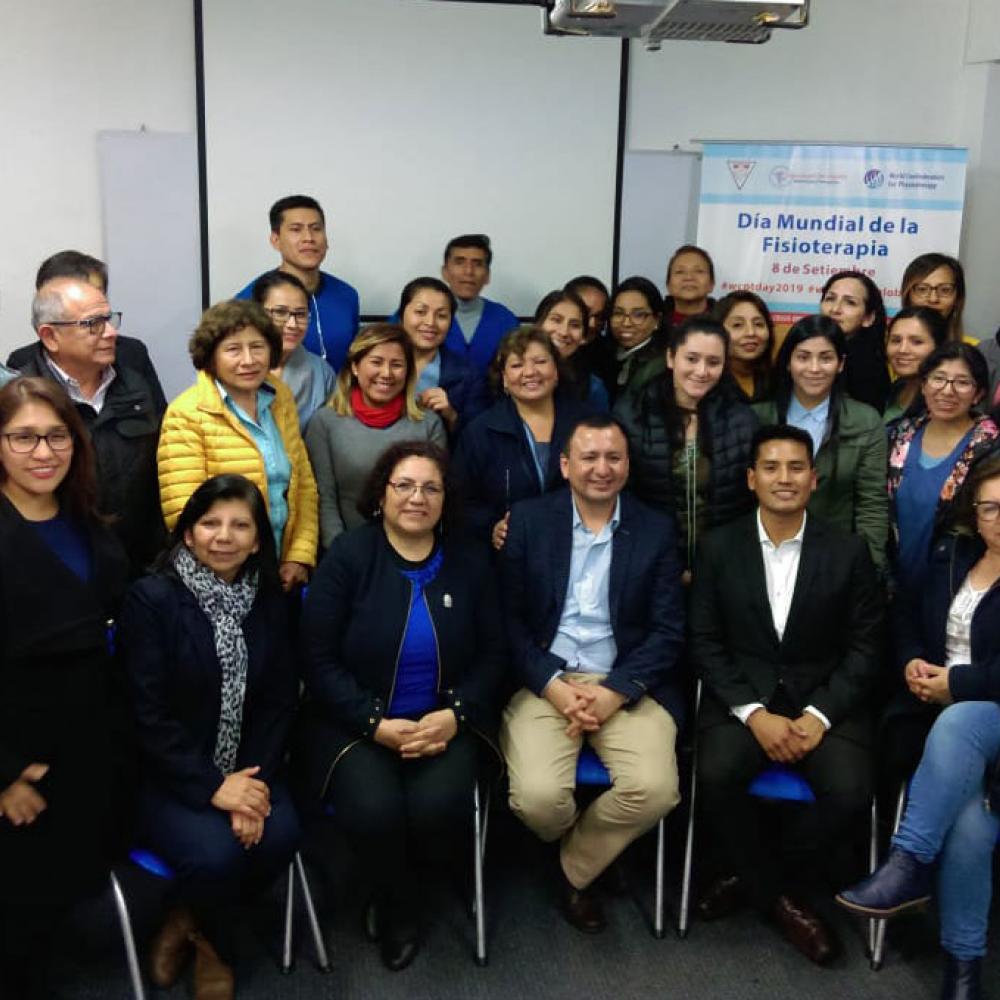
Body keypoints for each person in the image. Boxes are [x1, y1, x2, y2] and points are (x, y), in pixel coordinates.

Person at [299, 442, 505, 970]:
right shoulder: (348, 556)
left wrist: (454, 714)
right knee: (374, 810)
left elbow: (494, 653)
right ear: (381, 494)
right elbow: (317, 659)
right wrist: (373, 722)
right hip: (357, 720)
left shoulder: (471, 561)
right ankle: (399, 905)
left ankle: (397, 885)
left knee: (437, 809)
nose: (417, 497)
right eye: (405, 486)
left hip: (443, 720)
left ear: (446, 499)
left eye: (431, 487)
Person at [690, 425, 883, 965]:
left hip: (823, 701)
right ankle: (784, 898)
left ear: (814, 479)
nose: (784, 478)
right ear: (751, 479)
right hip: (744, 700)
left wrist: (820, 714)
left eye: (796, 467)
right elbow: (703, 642)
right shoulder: (718, 547)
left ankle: (757, 880)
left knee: (850, 791)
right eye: (771, 467)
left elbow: (867, 647)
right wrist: (752, 714)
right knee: (714, 774)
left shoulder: (847, 552)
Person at [499, 414, 684, 933]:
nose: (602, 469)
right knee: (537, 800)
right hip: (545, 681)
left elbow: (669, 631)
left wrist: (616, 692)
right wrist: (554, 687)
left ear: (627, 465)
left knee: (654, 789)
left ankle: (571, 869)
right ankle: (595, 850)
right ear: (565, 465)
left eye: (613, 457)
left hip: (624, 682)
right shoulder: (530, 520)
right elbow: (505, 622)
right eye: (589, 457)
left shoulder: (655, 528)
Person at [122, 475, 300, 999]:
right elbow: (146, 716)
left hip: (250, 766)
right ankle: (216, 949)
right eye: (210, 523)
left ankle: (187, 918)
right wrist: (212, 787)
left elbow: (279, 702)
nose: (224, 536)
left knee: (283, 832)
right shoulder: (151, 599)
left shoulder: (268, 597)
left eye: (240, 525)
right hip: (167, 775)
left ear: (258, 539)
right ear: (188, 533)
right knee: (215, 856)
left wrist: (253, 787)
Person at [836, 454, 1000, 1000]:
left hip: (983, 713)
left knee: (961, 719)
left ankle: (909, 862)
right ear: (974, 512)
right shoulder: (951, 553)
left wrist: (957, 684)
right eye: (992, 506)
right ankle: (963, 971)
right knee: (974, 828)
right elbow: (905, 613)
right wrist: (910, 659)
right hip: (930, 711)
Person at [0, 377, 129, 999]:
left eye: (56, 436)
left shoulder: (86, 518)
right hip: (21, 760)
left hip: (89, 741)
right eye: (23, 437)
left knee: (65, 897)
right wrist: (5, 774)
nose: (43, 451)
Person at [157, 299, 318, 591]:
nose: (248, 360)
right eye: (233, 349)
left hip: (280, 571)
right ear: (211, 357)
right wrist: (236, 569)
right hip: (220, 576)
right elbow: (182, 509)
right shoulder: (187, 413)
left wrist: (299, 555)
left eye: (257, 347)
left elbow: (303, 484)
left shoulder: (281, 401)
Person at [15, 276, 164, 574]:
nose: (110, 333)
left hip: (140, 565)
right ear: (50, 336)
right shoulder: (22, 401)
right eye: (92, 324)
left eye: (108, 320)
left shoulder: (136, 386)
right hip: (59, 567)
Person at [615, 317, 757, 575]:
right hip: (652, 562)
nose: (702, 371)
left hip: (723, 565)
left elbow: (748, 503)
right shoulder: (633, 415)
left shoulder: (742, 419)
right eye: (691, 359)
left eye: (713, 362)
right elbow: (623, 497)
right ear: (671, 358)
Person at [754, 315, 888, 571]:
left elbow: (871, 505)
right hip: (764, 556)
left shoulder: (865, 421)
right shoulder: (757, 418)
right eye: (803, 357)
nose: (814, 368)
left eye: (825, 358)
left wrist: (870, 569)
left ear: (840, 364)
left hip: (834, 561)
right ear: (788, 362)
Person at [305, 324, 446, 548]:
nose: (387, 374)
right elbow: (324, 498)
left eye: (397, 365)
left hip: (414, 551)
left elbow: (435, 497)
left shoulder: (428, 424)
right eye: (376, 362)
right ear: (355, 366)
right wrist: (340, 553)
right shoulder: (325, 422)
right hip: (345, 551)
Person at [453, 326, 592, 548]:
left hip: (581, 545)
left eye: (540, 362)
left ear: (556, 372)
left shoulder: (588, 424)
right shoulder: (480, 432)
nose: (530, 372)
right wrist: (491, 526)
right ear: (504, 379)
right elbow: (461, 500)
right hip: (510, 553)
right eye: (517, 365)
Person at [887, 342, 998, 594]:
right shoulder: (897, 437)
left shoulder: (991, 450)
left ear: (979, 393)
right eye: (938, 379)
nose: (947, 391)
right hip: (893, 586)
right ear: (924, 385)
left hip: (955, 585)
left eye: (962, 382)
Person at [7, 249, 167, 412]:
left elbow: (161, 427)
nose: (111, 333)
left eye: (99, 291)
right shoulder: (23, 370)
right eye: (93, 322)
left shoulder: (131, 356)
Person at [235, 195, 360, 371]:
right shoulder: (250, 300)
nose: (308, 238)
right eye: (296, 229)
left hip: (339, 397)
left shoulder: (347, 295)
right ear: (275, 240)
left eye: (316, 229)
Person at [396, 277, 488, 437]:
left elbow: (481, 441)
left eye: (441, 315)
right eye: (420, 312)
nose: (430, 322)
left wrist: (452, 416)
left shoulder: (470, 375)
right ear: (401, 315)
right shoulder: (377, 365)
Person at [250, 270, 335, 429]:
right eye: (280, 313)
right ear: (257, 313)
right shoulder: (236, 366)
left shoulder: (322, 373)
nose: (292, 324)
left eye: (300, 314)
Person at [439, 234, 519, 373]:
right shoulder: (418, 316)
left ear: (487, 275)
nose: (469, 271)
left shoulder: (505, 320)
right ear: (445, 272)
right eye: (459, 262)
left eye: (477, 264)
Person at [818, 270, 890, 412]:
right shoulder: (802, 347)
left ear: (868, 318)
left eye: (850, 302)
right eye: (830, 299)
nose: (835, 309)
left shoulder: (869, 369)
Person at [592, 276, 667, 404]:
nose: (626, 323)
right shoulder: (603, 353)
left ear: (657, 320)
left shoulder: (662, 365)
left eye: (638, 315)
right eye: (618, 313)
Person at [534, 288, 609, 409]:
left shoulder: (593, 388)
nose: (564, 332)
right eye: (556, 320)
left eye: (575, 325)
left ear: (583, 337)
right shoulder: (514, 374)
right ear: (538, 324)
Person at [884, 307, 949, 424]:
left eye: (916, 342)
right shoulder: (893, 389)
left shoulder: (944, 403)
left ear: (939, 347)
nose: (902, 350)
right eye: (896, 340)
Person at [713, 290, 773, 403]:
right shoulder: (706, 381)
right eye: (737, 325)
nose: (751, 333)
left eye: (758, 324)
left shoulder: (779, 381)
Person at [900, 252, 970, 344]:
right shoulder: (883, 346)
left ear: (958, 298)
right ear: (907, 295)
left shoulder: (971, 350)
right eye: (922, 289)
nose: (933, 299)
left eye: (945, 290)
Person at [663, 244, 716, 330]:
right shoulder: (654, 324)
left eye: (699, 271)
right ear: (668, 285)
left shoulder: (725, 322)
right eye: (680, 272)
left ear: (711, 284)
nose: (689, 277)